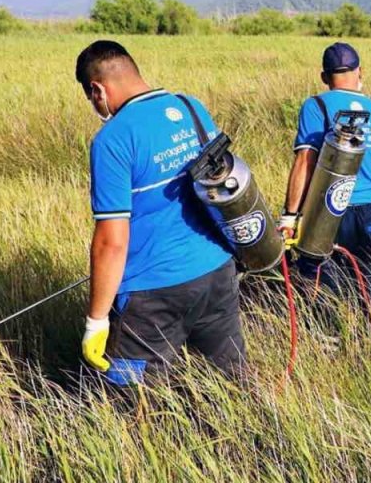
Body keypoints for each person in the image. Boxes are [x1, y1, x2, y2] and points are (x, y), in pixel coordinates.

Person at [75, 40, 245, 386]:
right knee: (232, 385)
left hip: (153, 294)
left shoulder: (112, 140)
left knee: (129, 399)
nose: (95, 105)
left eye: (91, 97)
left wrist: (96, 321)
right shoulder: (190, 107)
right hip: (217, 273)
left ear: (97, 89)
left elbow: (111, 242)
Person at [279, 42, 371, 318]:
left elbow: (305, 160)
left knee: (322, 287)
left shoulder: (317, 105)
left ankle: (329, 346)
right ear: (360, 71)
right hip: (370, 211)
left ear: (324, 77)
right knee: (369, 286)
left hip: (329, 212)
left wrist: (290, 216)